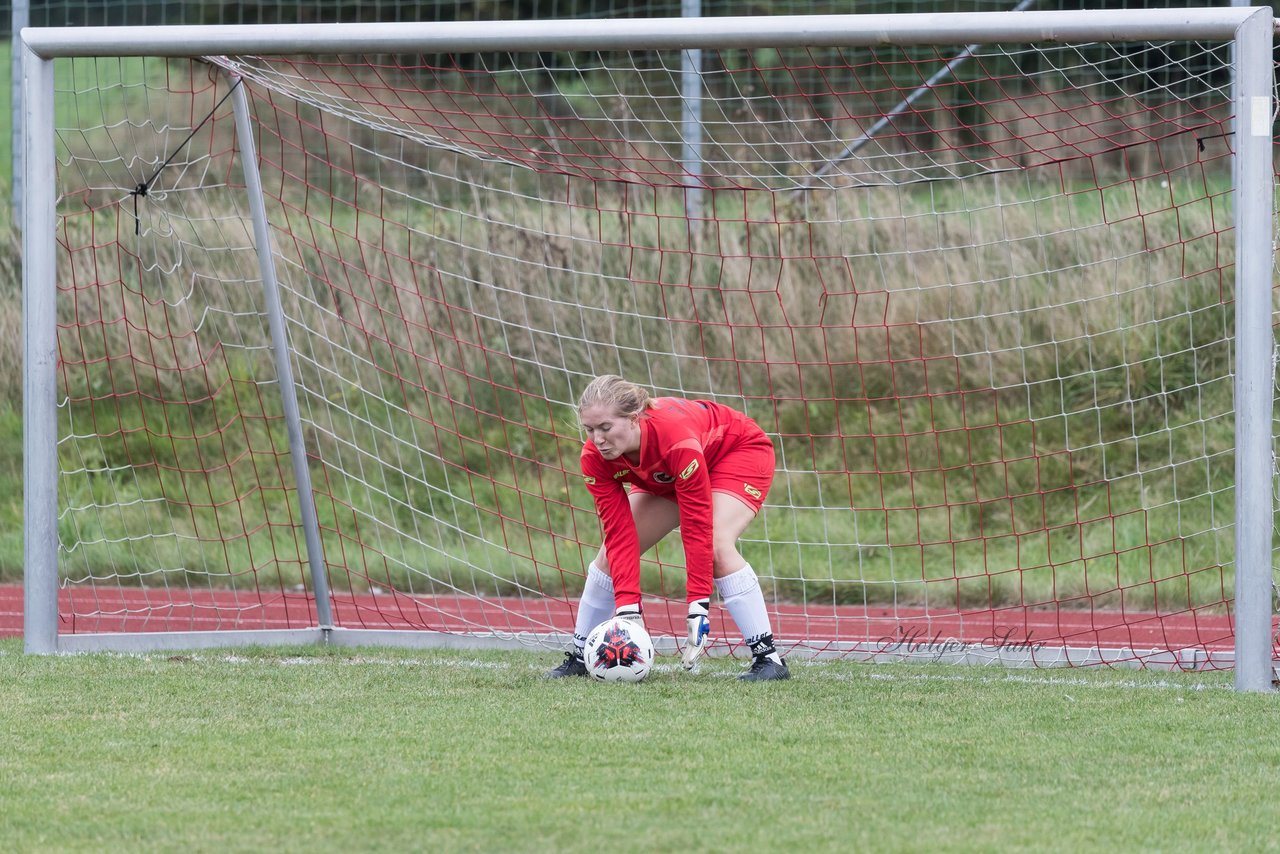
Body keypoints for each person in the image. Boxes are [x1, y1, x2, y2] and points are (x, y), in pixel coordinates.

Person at [547, 374, 790, 682]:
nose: (598, 439)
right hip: (670, 472)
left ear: (634, 418)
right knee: (611, 554)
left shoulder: (675, 439)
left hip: (735, 453)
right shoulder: (594, 457)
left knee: (716, 544)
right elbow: (619, 533)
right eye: (590, 429)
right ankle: (581, 656)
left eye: (606, 427)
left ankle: (769, 659)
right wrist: (627, 610)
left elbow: (696, 526)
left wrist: (698, 606)